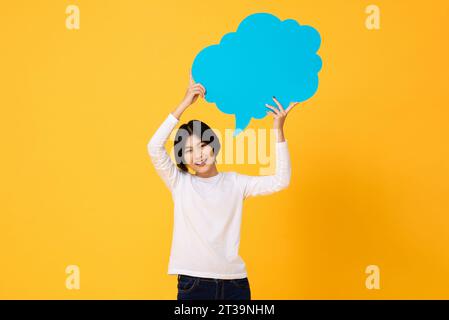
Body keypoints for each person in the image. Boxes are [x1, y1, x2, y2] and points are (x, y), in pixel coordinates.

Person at [147, 70, 297, 300]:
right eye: (188, 150)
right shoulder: (180, 183)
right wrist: (186, 102)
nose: (198, 155)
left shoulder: (235, 182)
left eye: (202, 145)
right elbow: (154, 147)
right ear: (182, 158)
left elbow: (281, 180)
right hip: (193, 285)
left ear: (214, 145)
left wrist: (278, 129)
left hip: (235, 285)